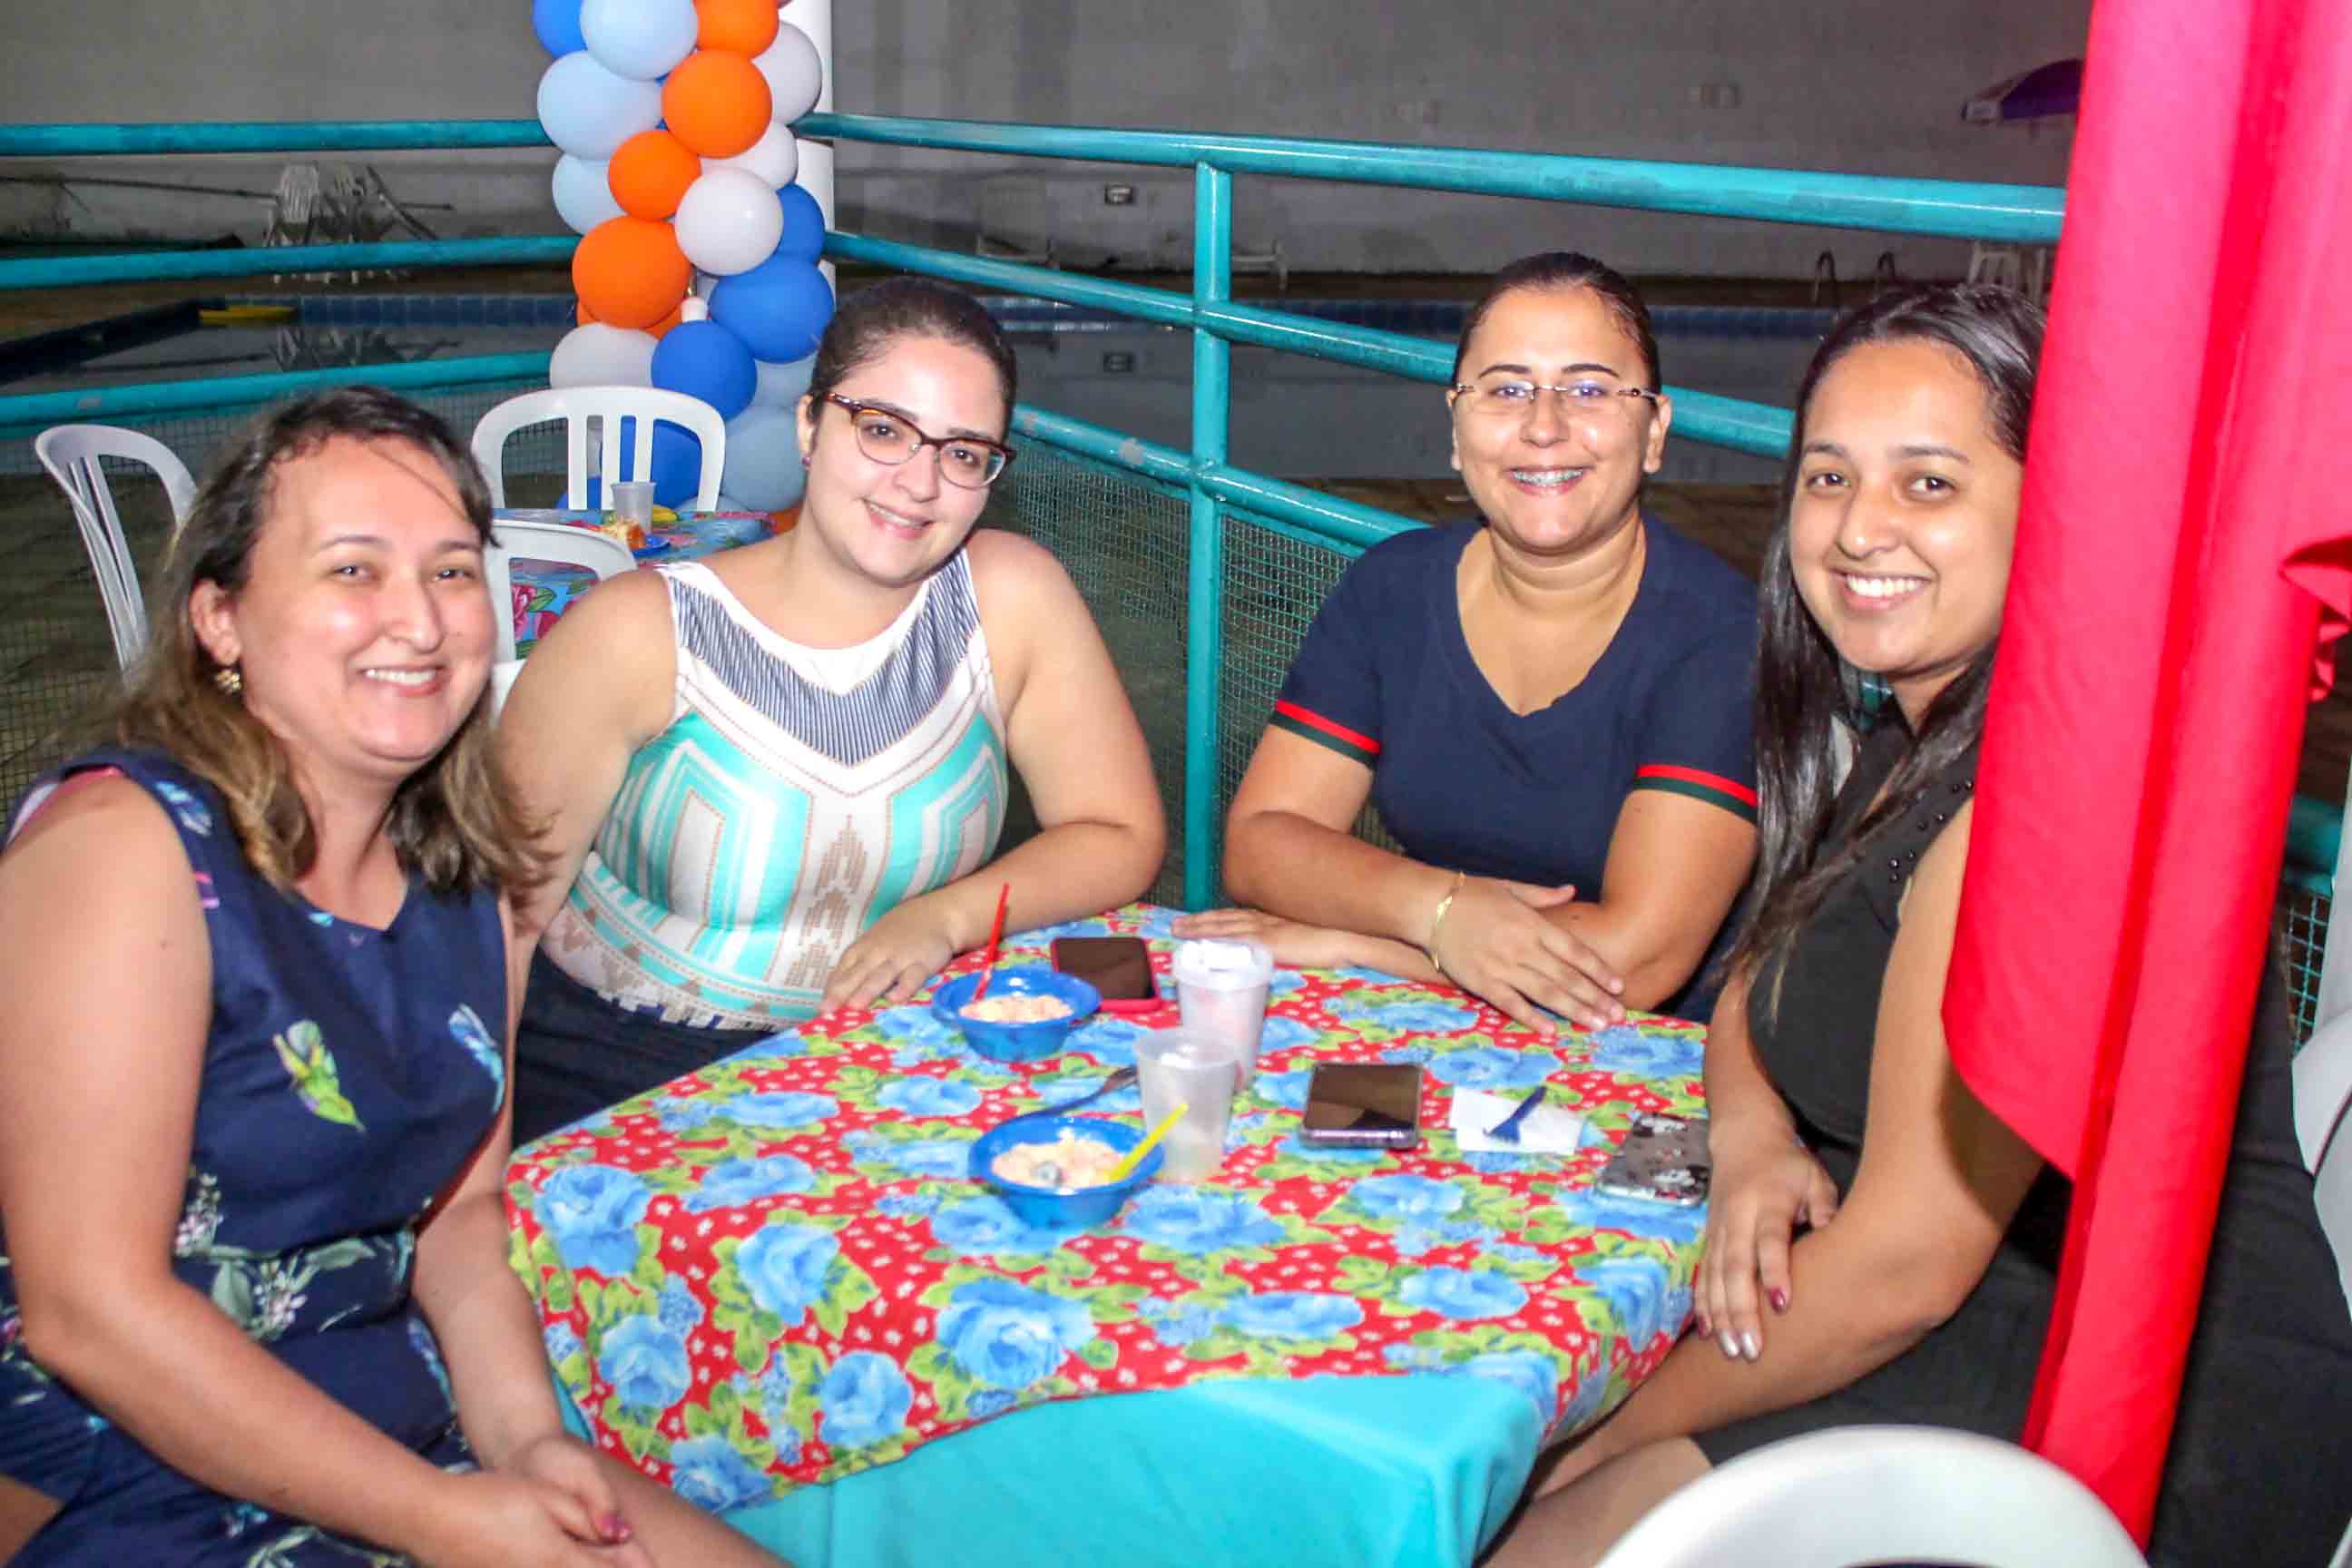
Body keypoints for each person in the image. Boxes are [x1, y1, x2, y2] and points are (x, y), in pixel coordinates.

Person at [1489, 285, 2352, 1568]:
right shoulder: (1918, 736)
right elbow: (1758, 985)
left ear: (2051, 511)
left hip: (2134, 1404)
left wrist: (1596, 1438)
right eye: (1829, 477)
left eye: (1929, 484)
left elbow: (1904, 1270)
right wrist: (1750, 1137)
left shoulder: (2033, 811)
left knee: (1523, 1528)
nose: (1858, 528)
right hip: (1953, 1317)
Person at [0, 389, 781, 1565]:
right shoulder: (126, 853)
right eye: (353, 570)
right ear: (221, 617)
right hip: (121, 1463)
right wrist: (443, 1522)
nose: (417, 621)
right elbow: (90, 1313)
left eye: (453, 571)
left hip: (387, 1414)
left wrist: (524, 1443)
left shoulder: (463, 870)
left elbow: (459, 1214)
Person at [502, 279, 1165, 1143]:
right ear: (810, 425)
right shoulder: (638, 631)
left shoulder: (1011, 596)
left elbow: (1118, 832)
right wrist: (473, 1178)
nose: (919, 484)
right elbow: (494, 922)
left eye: (964, 453)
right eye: (883, 430)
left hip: (888, 1062)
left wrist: (947, 918)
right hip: (623, 1076)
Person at [1180, 252, 1758, 1027]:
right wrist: (1440, 909)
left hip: (1648, 1054)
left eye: (1589, 390)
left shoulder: (1723, 636)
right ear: (1456, 429)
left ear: (1654, 431)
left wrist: (1361, 944)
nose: (1544, 427)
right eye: (1507, 390)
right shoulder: (1392, 590)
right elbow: (1261, 843)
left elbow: (1635, 964)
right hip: (1439, 1029)